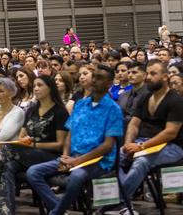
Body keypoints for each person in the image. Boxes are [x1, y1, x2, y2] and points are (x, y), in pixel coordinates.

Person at [0, 75, 69, 215]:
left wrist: (33, 144)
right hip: (26, 153)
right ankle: (5, 211)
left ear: (50, 89)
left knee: (7, 149)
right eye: (35, 86)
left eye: (40, 85)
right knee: (8, 166)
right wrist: (24, 141)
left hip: (49, 155)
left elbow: (59, 144)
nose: (36, 88)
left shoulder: (60, 112)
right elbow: (21, 136)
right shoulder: (32, 110)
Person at [27, 65, 123, 215]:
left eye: (100, 78)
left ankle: (57, 212)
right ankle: (59, 206)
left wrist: (77, 161)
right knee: (33, 172)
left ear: (109, 83)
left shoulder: (113, 109)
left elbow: (107, 146)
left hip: (98, 161)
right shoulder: (81, 104)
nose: (95, 80)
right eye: (95, 77)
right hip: (73, 156)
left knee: (76, 176)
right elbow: (70, 134)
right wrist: (65, 157)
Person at [105, 60, 183, 215]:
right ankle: (122, 203)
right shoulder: (145, 97)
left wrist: (142, 147)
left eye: (153, 74)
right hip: (143, 143)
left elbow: (170, 133)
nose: (148, 77)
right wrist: (128, 145)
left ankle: (119, 203)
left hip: (172, 147)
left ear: (165, 77)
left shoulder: (175, 101)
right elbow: (134, 124)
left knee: (141, 161)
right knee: (111, 158)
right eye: (148, 73)